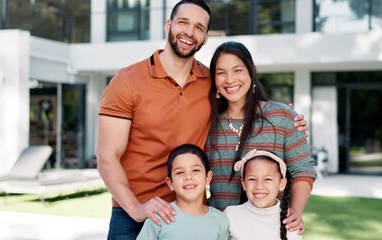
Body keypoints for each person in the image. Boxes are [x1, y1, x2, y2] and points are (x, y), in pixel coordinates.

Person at [97, 1, 307, 239]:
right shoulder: (127, 81)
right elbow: (106, 157)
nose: (189, 32)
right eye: (183, 22)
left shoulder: (212, 82)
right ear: (168, 24)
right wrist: (136, 209)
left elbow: (241, 100)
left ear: (206, 37)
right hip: (135, 213)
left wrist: (289, 120)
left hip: (194, 214)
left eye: (199, 27)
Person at [206, 41, 315, 234]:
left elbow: (303, 170)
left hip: (270, 231)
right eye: (221, 72)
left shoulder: (282, 117)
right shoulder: (207, 123)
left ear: (251, 72)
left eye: (237, 70)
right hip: (219, 231)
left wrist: (295, 213)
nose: (229, 80)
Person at [137, 144, 229, 240]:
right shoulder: (159, 216)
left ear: (208, 178)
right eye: (180, 172)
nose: (188, 177)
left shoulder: (220, 220)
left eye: (196, 170)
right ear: (170, 183)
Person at [224, 149, 301, 240]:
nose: (259, 186)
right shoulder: (230, 215)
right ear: (243, 183)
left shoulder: (291, 222)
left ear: (282, 184)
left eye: (267, 179)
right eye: (252, 179)